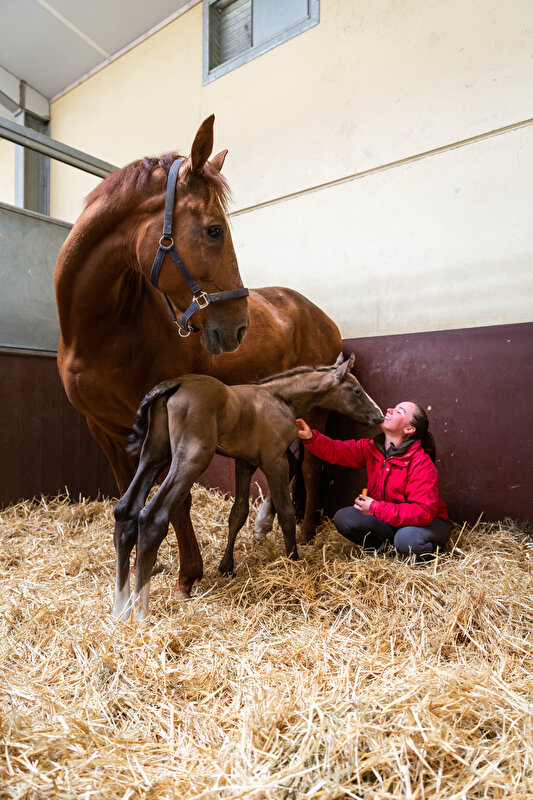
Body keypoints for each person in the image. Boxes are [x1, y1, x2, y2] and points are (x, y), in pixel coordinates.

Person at [295, 402, 451, 558]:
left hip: (426, 524)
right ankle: (387, 551)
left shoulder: (421, 462)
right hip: (392, 519)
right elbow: (337, 451)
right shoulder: (372, 449)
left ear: (409, 429)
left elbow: (423, 513)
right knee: (344, 518)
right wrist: (310, 437)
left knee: (406, 541)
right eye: (393, 407)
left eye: (399, 411)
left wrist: (375, 508)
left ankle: (436, 553)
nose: (390, 410)